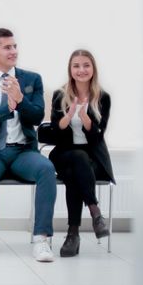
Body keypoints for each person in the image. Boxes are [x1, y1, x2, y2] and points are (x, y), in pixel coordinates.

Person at [0, 28, 57, 262]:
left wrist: (21, 100)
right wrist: (8, 108)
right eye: (7, 47)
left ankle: (41, 238)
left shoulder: (31, 79)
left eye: (15, 46)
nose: (13, 51)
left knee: (47, 169)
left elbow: (37, 117)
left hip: (23, 151)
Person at [49, 49, 114, 257]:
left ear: (93, 68)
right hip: (64, 153)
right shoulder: (61, 94)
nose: (81, 70)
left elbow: (97, 137)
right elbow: (55, 134)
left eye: (86, 65)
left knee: (74, 172)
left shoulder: (103, 97)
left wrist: (85, 118)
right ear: (70, 69)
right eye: (76, 66)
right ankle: (95, 212)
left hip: (92, 157)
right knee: (77, 158)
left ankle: (72, 234)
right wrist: (69, 115)